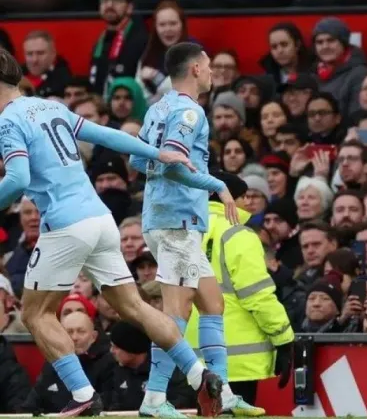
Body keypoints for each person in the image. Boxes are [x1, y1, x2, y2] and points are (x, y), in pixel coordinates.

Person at [0, 48, 220, 417]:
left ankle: (83, 394)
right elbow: (107, 135)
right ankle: (200, 375)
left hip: (66, 225)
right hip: (101, 220)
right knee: (132, 306)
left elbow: (19, 178)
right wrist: (157, 152)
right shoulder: (50, 106)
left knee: (38, 314)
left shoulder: (7, 122)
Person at [129, 42, 257, 418]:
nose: (214, 72)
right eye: (210, 65)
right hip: (176, 220)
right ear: (196, 69)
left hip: (166, 216)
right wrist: (217, 185)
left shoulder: (158, 108)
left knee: (212, 303)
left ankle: (224, 394)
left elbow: (139, 158)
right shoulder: (190, 112)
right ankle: (154, 398)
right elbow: (172, 165)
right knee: (176, 312)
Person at [186, 171, 294, 410]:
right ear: (230, 198)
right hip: (237, 356)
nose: (248, 203)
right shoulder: (237, 233)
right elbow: (257, 295)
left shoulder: (183, 231)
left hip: (191, 356)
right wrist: (284, 339)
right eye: (244, 196)